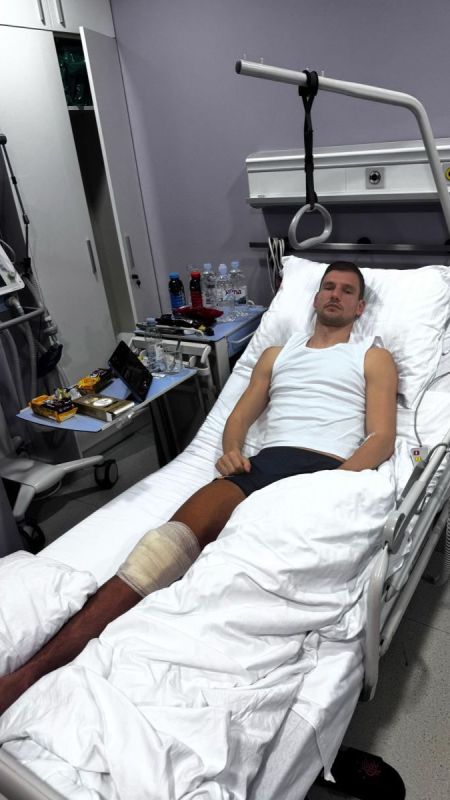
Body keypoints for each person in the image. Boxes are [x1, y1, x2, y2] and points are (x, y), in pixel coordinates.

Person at [0, 261, 397, 715]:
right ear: (315, 297)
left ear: (359, 307)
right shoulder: (277, 354)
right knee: (161, 549)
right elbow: (239, 417)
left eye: (347, 291)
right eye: (328, 287)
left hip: (326, 467)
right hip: (265, 463)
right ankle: (30, 674)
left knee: (245, 568)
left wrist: (332, 484)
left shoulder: (372, 357)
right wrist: (230, 451)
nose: (335, 295)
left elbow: (381, 438)